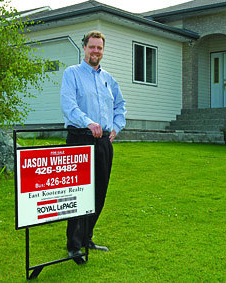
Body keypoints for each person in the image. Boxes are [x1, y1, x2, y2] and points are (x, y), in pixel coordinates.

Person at [60, 31, 126, 264]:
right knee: (79, 194)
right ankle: (73, 246)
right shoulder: (73, 74)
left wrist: (116, 127)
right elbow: (68, 105)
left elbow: (120, 104)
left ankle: (86, 238)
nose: (96, 51)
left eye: (99, 48)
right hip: (80, 138)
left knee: (99, 193)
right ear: (84, 48)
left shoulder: (108, 78)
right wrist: (88, 122)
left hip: (103, 142)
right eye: (92, 47)